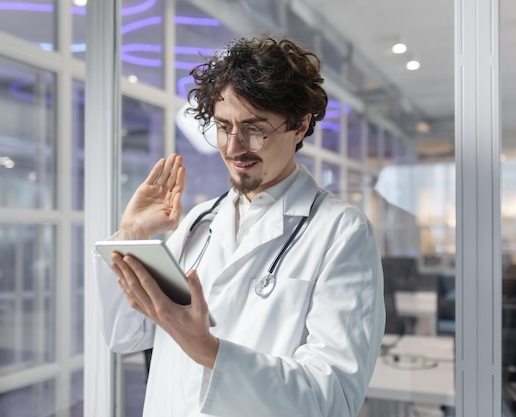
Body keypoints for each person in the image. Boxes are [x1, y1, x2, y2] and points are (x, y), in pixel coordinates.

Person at [93, 36, 385, 417]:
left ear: (299, 125)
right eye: (223, 126)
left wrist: (208, 350)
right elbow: (124, 335)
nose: (234, 147)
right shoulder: (198, 222)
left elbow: (331, 398)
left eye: (255, 128)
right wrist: (132, 233)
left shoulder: (341, 232)